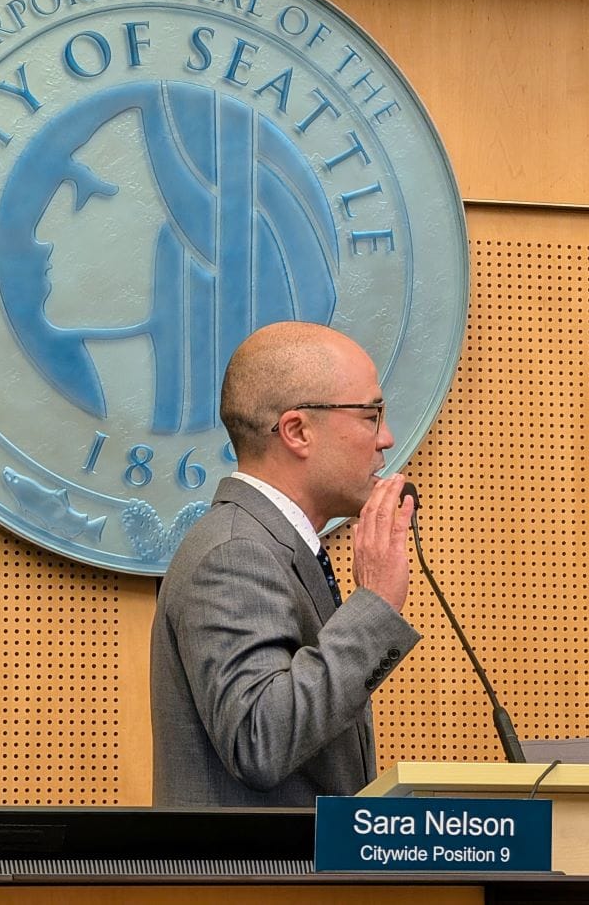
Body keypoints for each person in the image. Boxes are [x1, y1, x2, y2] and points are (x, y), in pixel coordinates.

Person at [151, 321, 420, 806]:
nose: (386, 438)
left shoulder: (274, 544)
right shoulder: (235, 551)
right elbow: (260, 740)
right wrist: (375, 604)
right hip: (259, 861)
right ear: (297, 431)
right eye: (371, 415)